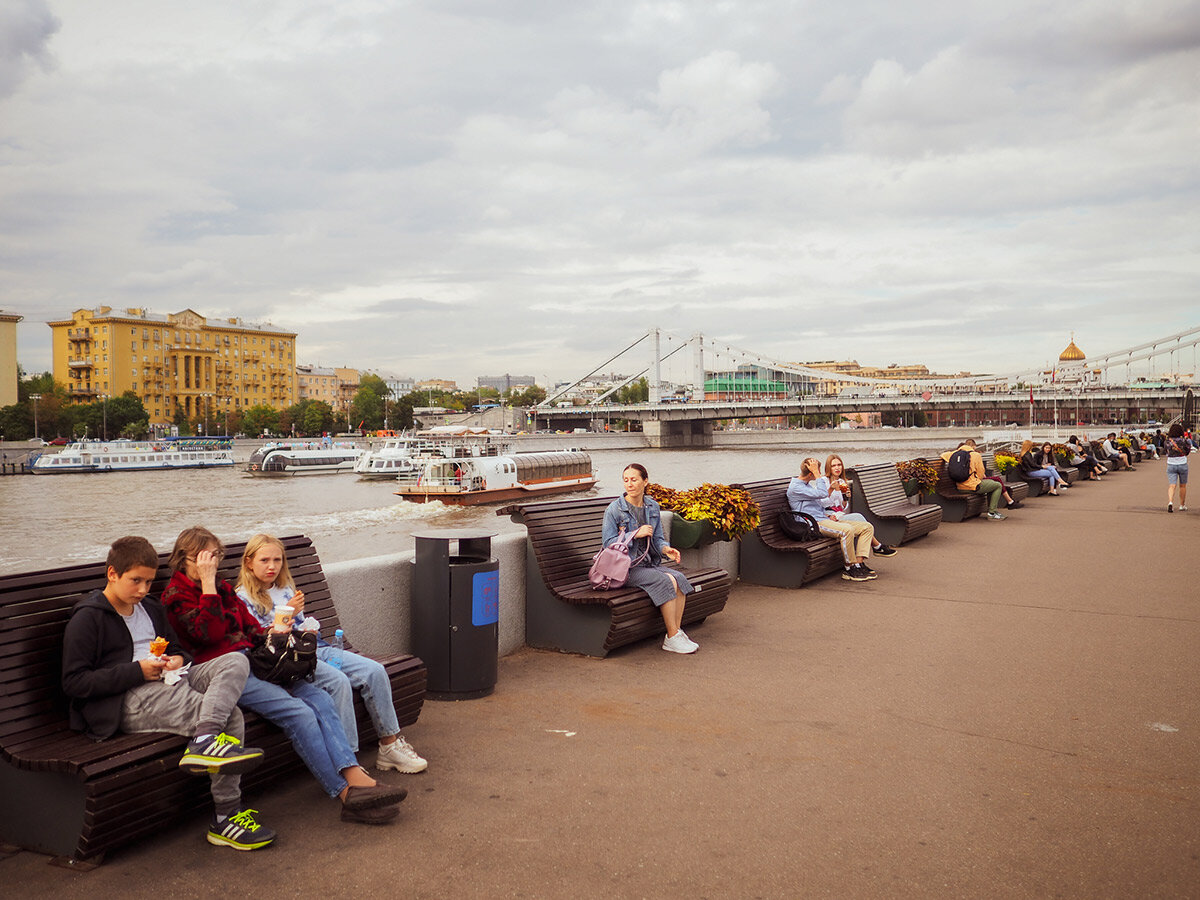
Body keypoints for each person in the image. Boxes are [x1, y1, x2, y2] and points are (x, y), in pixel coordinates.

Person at [162, 526, 407, 825]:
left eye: (214, 556)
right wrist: (209, 583)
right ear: (184, 558)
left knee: (320, 698)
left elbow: (251, 627)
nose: (210, 563)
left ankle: (353, 773)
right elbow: (209, 634)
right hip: (221, 671)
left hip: (256, 661)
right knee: (299, 713)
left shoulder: (223, 589)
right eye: (203, 558)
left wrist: (274, 635)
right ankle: (346, 795)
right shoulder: (176, 595)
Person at [62, 536, 276, 851]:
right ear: (112, 574)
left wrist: (177, 659)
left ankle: (205, 739)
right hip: (126, 698)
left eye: (149, 582)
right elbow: (74, 682)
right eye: (135, 581)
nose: (143, 590)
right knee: (230, 717)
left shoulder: (149, 608)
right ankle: (226, 817)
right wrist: (138, 671)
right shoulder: (89, 617)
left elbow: (178, 651)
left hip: (170, 678)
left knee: (233, 661)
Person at [234, 533, 427, 773]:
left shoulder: (285, 589)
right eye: (264, 560)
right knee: (339, 682)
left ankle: (390, 746)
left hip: (313, 648)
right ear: (249, 562)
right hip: (286, 661)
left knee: (375, 671)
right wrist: (286, 615)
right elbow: (260, 643)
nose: (272, 566)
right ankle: (348, 762)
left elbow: (300, 626)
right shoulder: (242, 598)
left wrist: (308, 629)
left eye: (277, 559)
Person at [601, 463, 698, 654]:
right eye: (626, 480)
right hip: (625, 569)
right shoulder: (614, 510)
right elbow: (608, 544)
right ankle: (672, 636)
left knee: (679, 578)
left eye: (634, 479)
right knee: (666, 580)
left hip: (648, 564)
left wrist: (666, 549)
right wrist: (634, 534)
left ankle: (675, 634)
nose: (629, 484)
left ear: (645, 481)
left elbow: (658, 537)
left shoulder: (652, 506)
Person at [788, 456, 883, 581]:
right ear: (811, 473)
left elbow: (819, 504)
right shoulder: (796, 487)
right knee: (847, 530)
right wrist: (817, 474)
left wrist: (828, 514)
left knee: (867, 527)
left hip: (823, 518)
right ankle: (849, 569)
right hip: (813, 524)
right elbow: (821, 494)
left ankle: (858, 565)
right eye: (818, 471)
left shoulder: (806, 486)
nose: (820, 473)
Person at [823, 454, 900, 555]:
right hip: (827, 515)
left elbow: (842, 507)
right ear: (828, 467)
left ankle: (876, 548)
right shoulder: (824, 481)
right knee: (860, 518)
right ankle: (877, 546)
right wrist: (831, 489)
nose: (837, 468)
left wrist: (846, 498)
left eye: (839, 465)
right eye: (833, 466)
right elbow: (820, 504)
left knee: (862, 522)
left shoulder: (842, 482)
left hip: (838, 513)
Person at [940, 440, 1007, 520]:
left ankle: (991, 511)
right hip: (972, 486)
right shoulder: (976, 455)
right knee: (997, 485)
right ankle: (992, 513)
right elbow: (981, 474)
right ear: (973, 447)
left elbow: (942, 455)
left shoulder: (953, 454)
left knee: (991, 484)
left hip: (959, 487)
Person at [1165, 423, 1189, 512]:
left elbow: (1166, 451)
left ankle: (1170, 502)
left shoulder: (1167, 441)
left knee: (1172, 485)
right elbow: (1187, 451)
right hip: (1182, 463)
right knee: (1182, 486)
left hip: (1171, 464)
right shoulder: (1184, 441)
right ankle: (1182, 505)